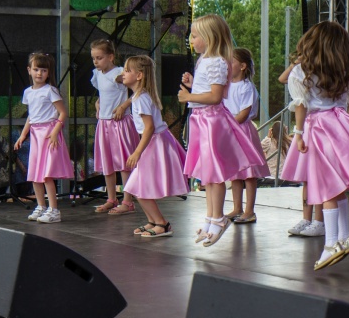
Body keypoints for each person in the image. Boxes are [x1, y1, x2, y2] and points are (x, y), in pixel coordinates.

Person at [281, 21, 349, 271]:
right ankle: (344, 236)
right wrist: (346, 122)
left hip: (318, 128)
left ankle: (332, 243)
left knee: (326, 188)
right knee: (337, 186)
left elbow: (300, 105)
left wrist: (298, 133)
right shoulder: (343, 71)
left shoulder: (301, 71)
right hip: (340, 125)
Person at [178, 14, 265, 247]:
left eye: (195, 36)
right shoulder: (205, 61)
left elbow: (215, 96)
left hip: (211, 121)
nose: (191, 40)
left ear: (209, 38)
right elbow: (208, 89)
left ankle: (218, 218)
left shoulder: (216, 62)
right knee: (207, 174)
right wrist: (193, 85)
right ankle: (210, 217)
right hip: (201, 120)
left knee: (214, 173)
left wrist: (189, 96)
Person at [122, 55, 188, 237]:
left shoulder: (141, 98)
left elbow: (149, 127)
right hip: (153, 141)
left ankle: (162, 223)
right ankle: (152, 221)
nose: (123, 73)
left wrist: (137, 152)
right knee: (136, 186)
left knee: (137, 186)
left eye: (127, 70)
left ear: (139, 75)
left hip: (155, 143)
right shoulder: (138, 97)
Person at [14, 52, 72, 223]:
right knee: (35, 173)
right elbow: (31, 116)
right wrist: (23, 135)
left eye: (44, 70)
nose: (39, 73)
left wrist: (54, 132)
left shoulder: (50, 91)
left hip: (48, 133)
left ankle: (54, 210)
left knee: (46, 174)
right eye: (36, 69)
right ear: (29, 70)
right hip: (35, 135)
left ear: (48, 73)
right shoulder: (28, 92)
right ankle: (41, 206)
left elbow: (63, 113)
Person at [90, 39, 140, 215]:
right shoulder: (98, 74)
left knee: (123, 162)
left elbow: (138, 90)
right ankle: (111, 198)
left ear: (110, 57)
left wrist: (123, 106)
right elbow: (103, 94)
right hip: (104, 123)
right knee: (107, 162)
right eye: (94, 58)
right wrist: (98, 104)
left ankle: (128, 200)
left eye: (99, 58)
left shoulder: (119, 74)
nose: (96, 62)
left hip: (119, 123)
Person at [279, 57, 325, 238]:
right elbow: (283, 79)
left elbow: (301, 104)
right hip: (308, 125)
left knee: (318, 176)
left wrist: (298, 133)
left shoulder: (325, 70)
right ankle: (306, 218)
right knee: (307, 177)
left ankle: (319, 220)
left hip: (318, 124)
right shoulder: (300, 72)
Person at [223, 47, 270, 224]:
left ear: (242, 66)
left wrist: (228, 125)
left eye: (231, 62)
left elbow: (244, 113)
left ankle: (249, 210)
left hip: (242, 132)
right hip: (231, 130)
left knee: (249, 173)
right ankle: (237, 207)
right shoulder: (226, 86)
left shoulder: (247, 87)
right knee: (236, 171)